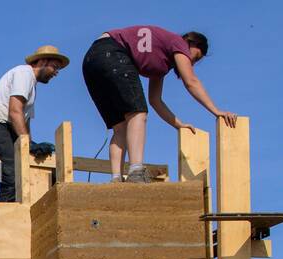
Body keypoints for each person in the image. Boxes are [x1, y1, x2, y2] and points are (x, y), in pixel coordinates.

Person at [81, 26, 238, 183]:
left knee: (121, 126)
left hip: (92, 60)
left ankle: (116, 178)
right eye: (194, 58)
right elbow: (191, 81)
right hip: (113, 52)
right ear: (191, 44)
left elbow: (155, 101)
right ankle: (136, 171)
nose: (190, 63)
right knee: (137, 113)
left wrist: (178, 124)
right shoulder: (179, 43)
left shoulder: (161, 63)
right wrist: (216, 111)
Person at [0, 45, 68, 202]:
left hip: (0, 134)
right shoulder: (24, 73)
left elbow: (25, 122)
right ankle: (4, 222)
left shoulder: (31, 86)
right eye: (54, 67)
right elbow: (15, 111)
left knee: (17, 174)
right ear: (43, 61)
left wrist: (32, 149)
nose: (56, 73)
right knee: (14, 177)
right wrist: (28, 143)